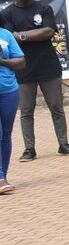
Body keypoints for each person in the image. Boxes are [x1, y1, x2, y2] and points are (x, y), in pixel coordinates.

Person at [0, 0, 69, 160]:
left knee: (56, 107)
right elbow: (11, 36)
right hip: (23, 70)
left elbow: (49, 31)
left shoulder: (44, 8)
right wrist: (32, 34)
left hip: (48, 67)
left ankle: (63, 143)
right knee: (26, 111)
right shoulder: (7, 14)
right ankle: (29, 149)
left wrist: (23, 36)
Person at [0, 25, 24, 194]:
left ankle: (3, 176)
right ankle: (1, 179)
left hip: (9, 91)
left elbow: (21, 61)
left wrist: (1, 60)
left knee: (6, 135)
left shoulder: (5, 34)